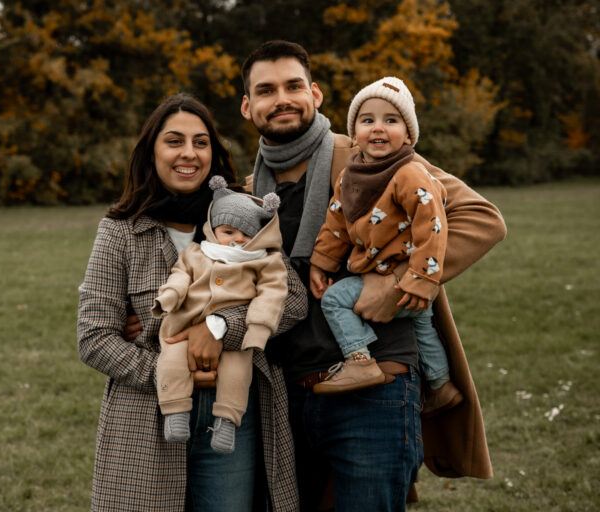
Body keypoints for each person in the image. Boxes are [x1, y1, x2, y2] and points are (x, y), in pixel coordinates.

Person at [239, 40, 506, 511]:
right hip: (288, 396)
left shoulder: (365, 159)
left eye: (293, 86)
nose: (281, 98)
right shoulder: (251, 192)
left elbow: (479, 217)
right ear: (248, 106)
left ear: (315, 94)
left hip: (377, 388)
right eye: (266, 90)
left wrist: (400, 280)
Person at [77, 93, 306, 512]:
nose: (189, 153)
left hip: (235, 418)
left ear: (213, 154)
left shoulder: (242, 216)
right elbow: (94, 337)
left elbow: (291, 300)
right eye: (174, 141)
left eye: (201, 142)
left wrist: (220, 327)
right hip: (145, 419)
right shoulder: (121, 231)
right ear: (152, 151)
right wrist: (174, 372)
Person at [308, 76, 463, 418]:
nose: (378, 128)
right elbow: (336, 224)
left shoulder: (409, 173)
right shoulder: (350, 177)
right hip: (414, 290)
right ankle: (440, 385)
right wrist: (321, 262)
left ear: (408, 135)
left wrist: (421, 278)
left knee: (334, 300)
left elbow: (432, 226)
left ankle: (360, 360)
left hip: (400, 278)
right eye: (368, 120)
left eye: (391, 120)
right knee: (423, 330)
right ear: (355, 133)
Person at [153, 175, 286, 455]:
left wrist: (259, 325)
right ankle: (175, 411)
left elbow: (274, 293)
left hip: (236, 338)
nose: (237, 239)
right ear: (213, 230)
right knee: (172, 360)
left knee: (237, 374)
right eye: (229, 232)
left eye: (246, 234)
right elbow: (180, 276)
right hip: (184, 325)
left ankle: (227, 421)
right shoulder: (196, 253)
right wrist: (169, 297)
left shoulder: (264, 260)